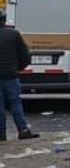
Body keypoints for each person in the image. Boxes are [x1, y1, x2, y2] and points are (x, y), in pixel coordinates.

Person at [0, 12, 39, 140]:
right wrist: (18, 68)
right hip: (11, 75)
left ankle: (1, 134)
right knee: (15, 103)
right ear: (4, 21)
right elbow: (25, 56)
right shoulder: (14, 34)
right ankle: (23, 130)